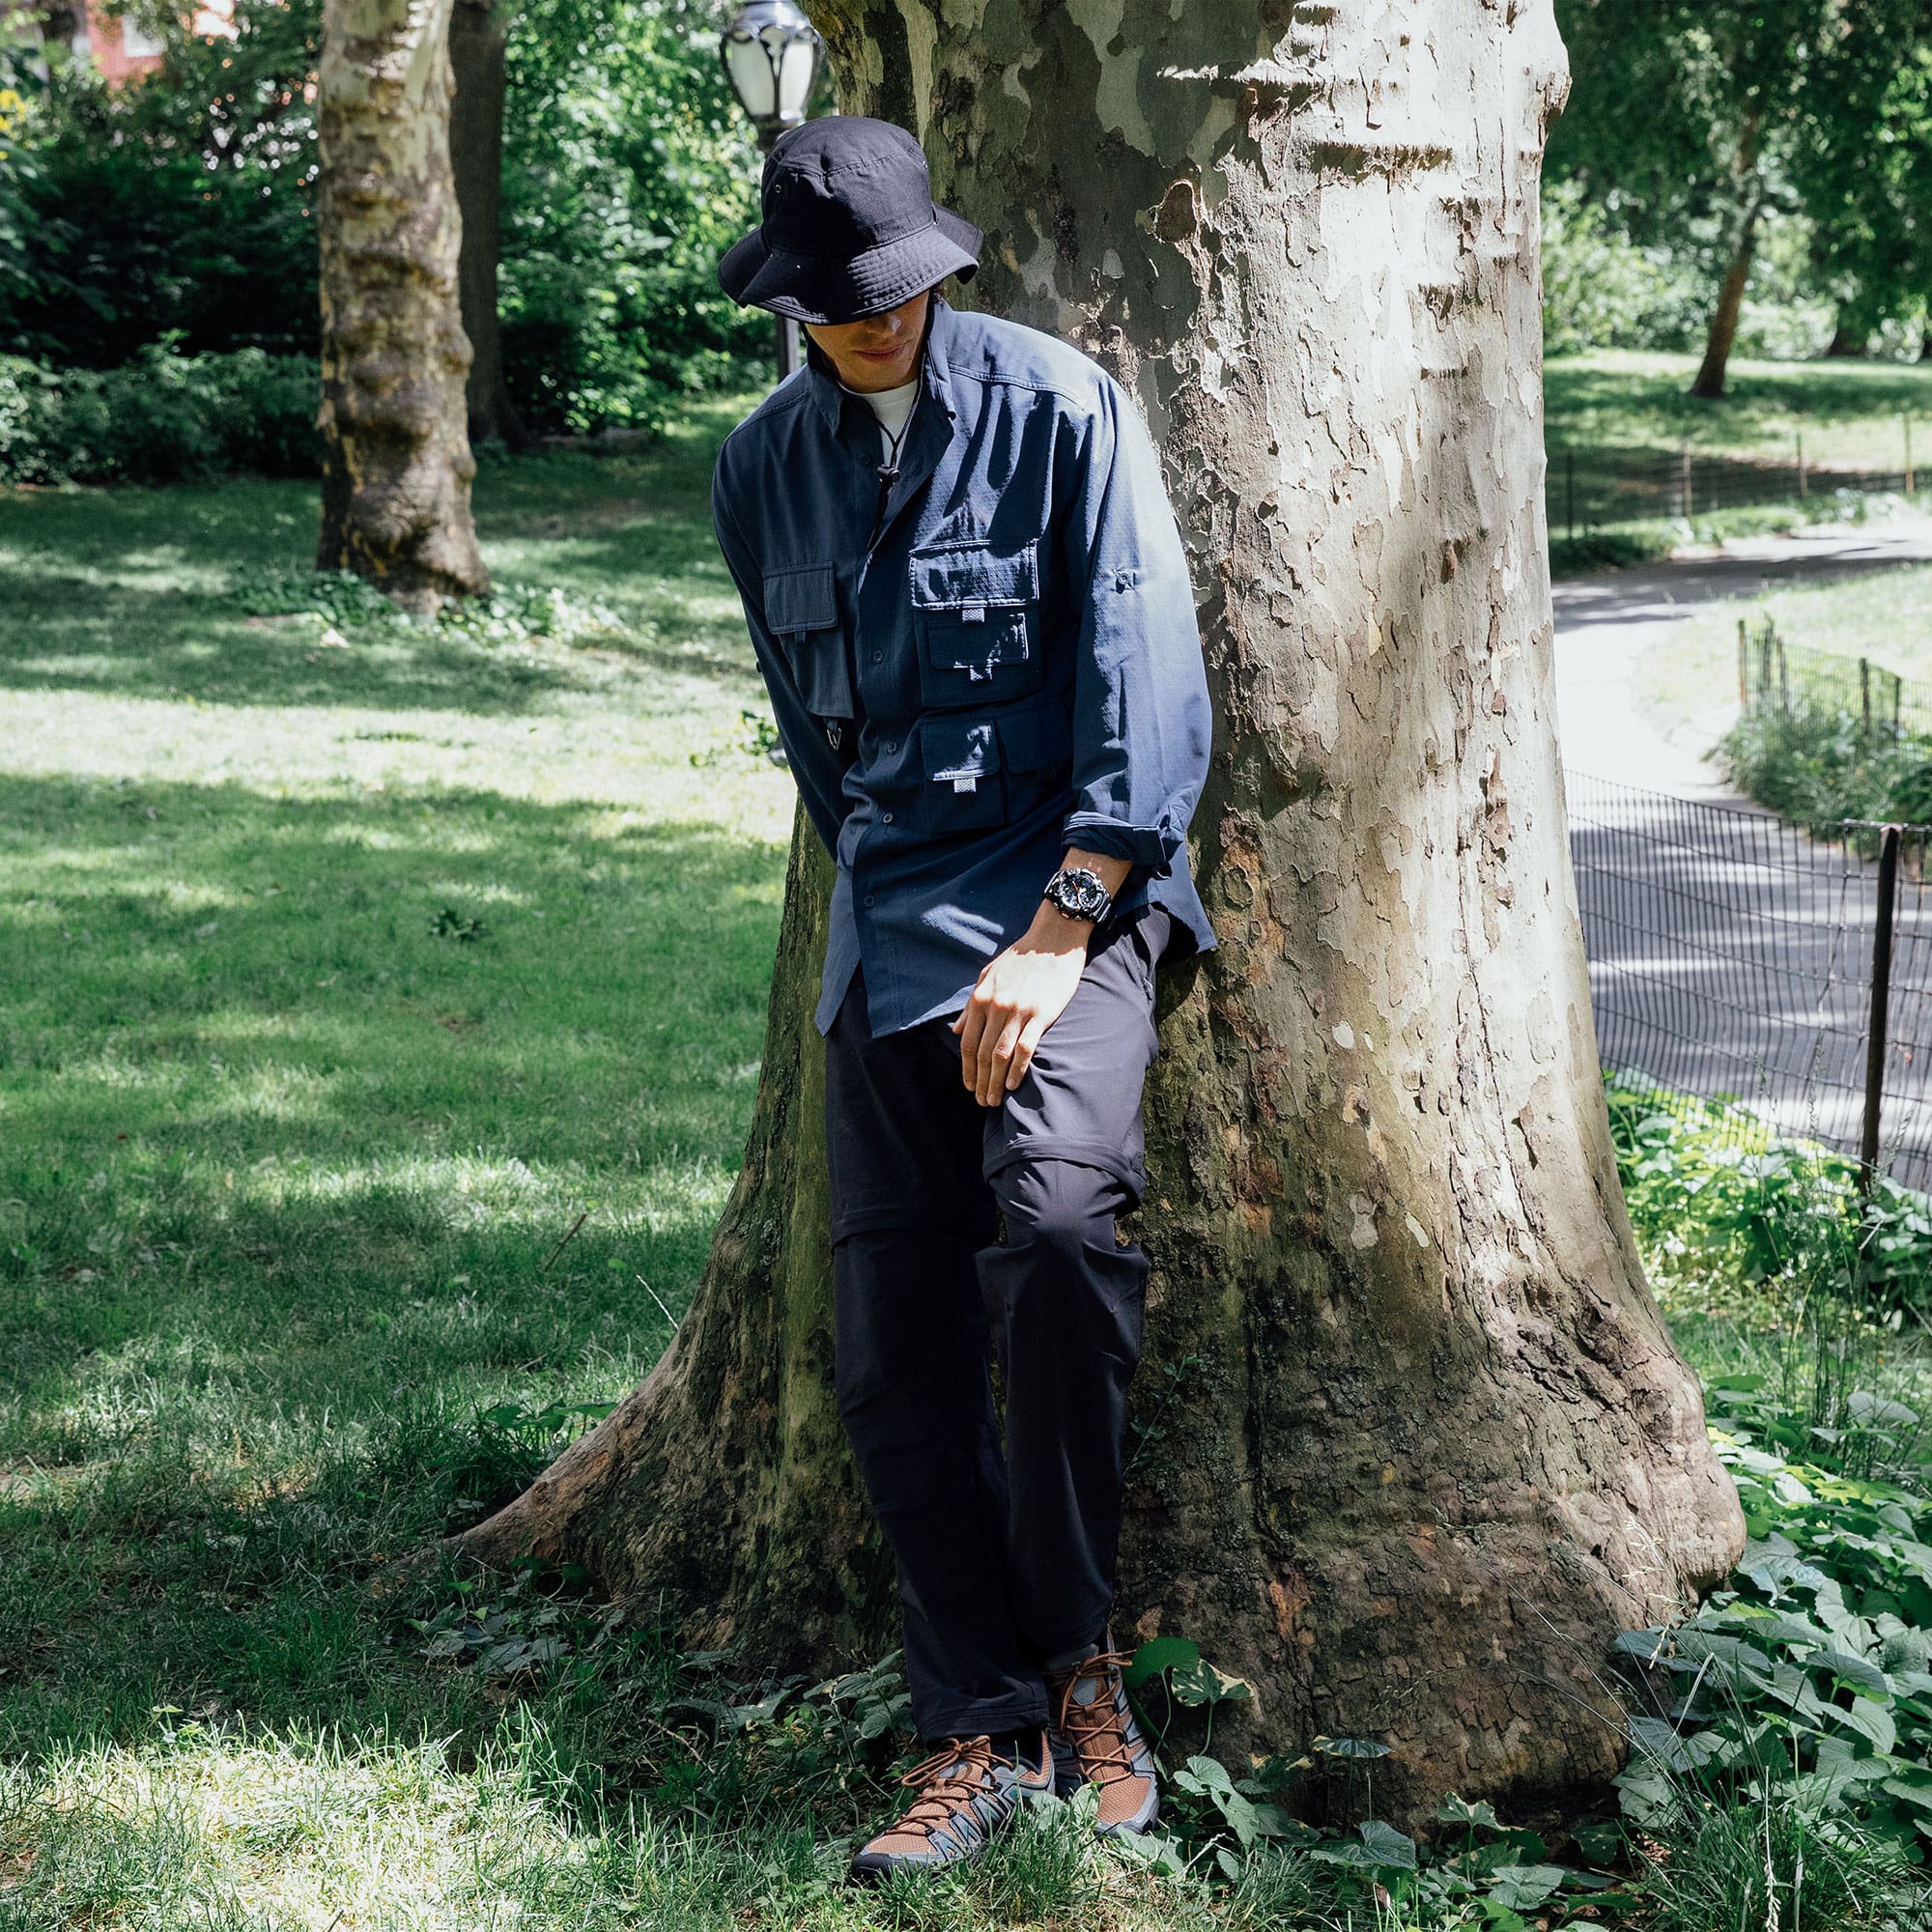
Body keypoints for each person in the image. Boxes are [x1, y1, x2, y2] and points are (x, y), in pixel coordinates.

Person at [710, 114, 1214, 1884]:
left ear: (940, 269)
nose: (876, 321)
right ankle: (976, 1728)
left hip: (1071, 896)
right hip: (891, 922)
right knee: (886, 1337)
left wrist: (1065, 922)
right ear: (791, 304)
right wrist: (890, 908)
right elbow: (814, 742)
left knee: (1059, 1234)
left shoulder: (1064, 408)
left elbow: (1146, 674)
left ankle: (1078, 1666)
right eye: (839, 303)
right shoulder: (759, 469)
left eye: (899, 290)